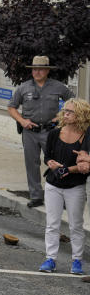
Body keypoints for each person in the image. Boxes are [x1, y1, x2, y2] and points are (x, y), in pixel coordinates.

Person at [8, 55, 74, 208]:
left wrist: (61, 118)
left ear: (47, 71)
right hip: (30, 132)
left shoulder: (58, 87)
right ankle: (36, 196)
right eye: (34, 69)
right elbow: (11, 107)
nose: (37, 72)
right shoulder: (23, 87)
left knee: (56, 162)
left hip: (51, 132)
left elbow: (73, 102)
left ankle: (61, 196)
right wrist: (22, 121)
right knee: (32, 163)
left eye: (41, 69)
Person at [37, 99, 90, 275]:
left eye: (70, 111)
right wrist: (50, 163)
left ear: (80, 115)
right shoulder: (54, 133)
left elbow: (86, 165)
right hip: (53, 184)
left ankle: (76, 261)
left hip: (75, 186)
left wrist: (69, 169)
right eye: (65, 110)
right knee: (52, 224)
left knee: (76, 225)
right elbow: (47, 157)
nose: (65, 114)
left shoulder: (86, 136)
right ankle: (50, 258)